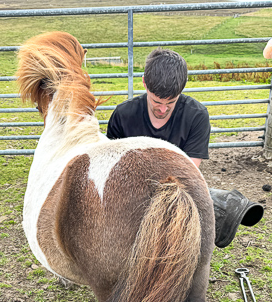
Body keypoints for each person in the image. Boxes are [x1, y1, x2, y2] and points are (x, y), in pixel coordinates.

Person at [106, 48, 263, 248]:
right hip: (132, 191)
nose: (163, 109)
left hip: (176, 191)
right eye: (156, 101)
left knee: (211, 206)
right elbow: (114, 172)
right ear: (144, 83)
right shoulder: (122, 115)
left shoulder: (196, 116)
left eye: (171, 103)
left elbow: (188, 172)